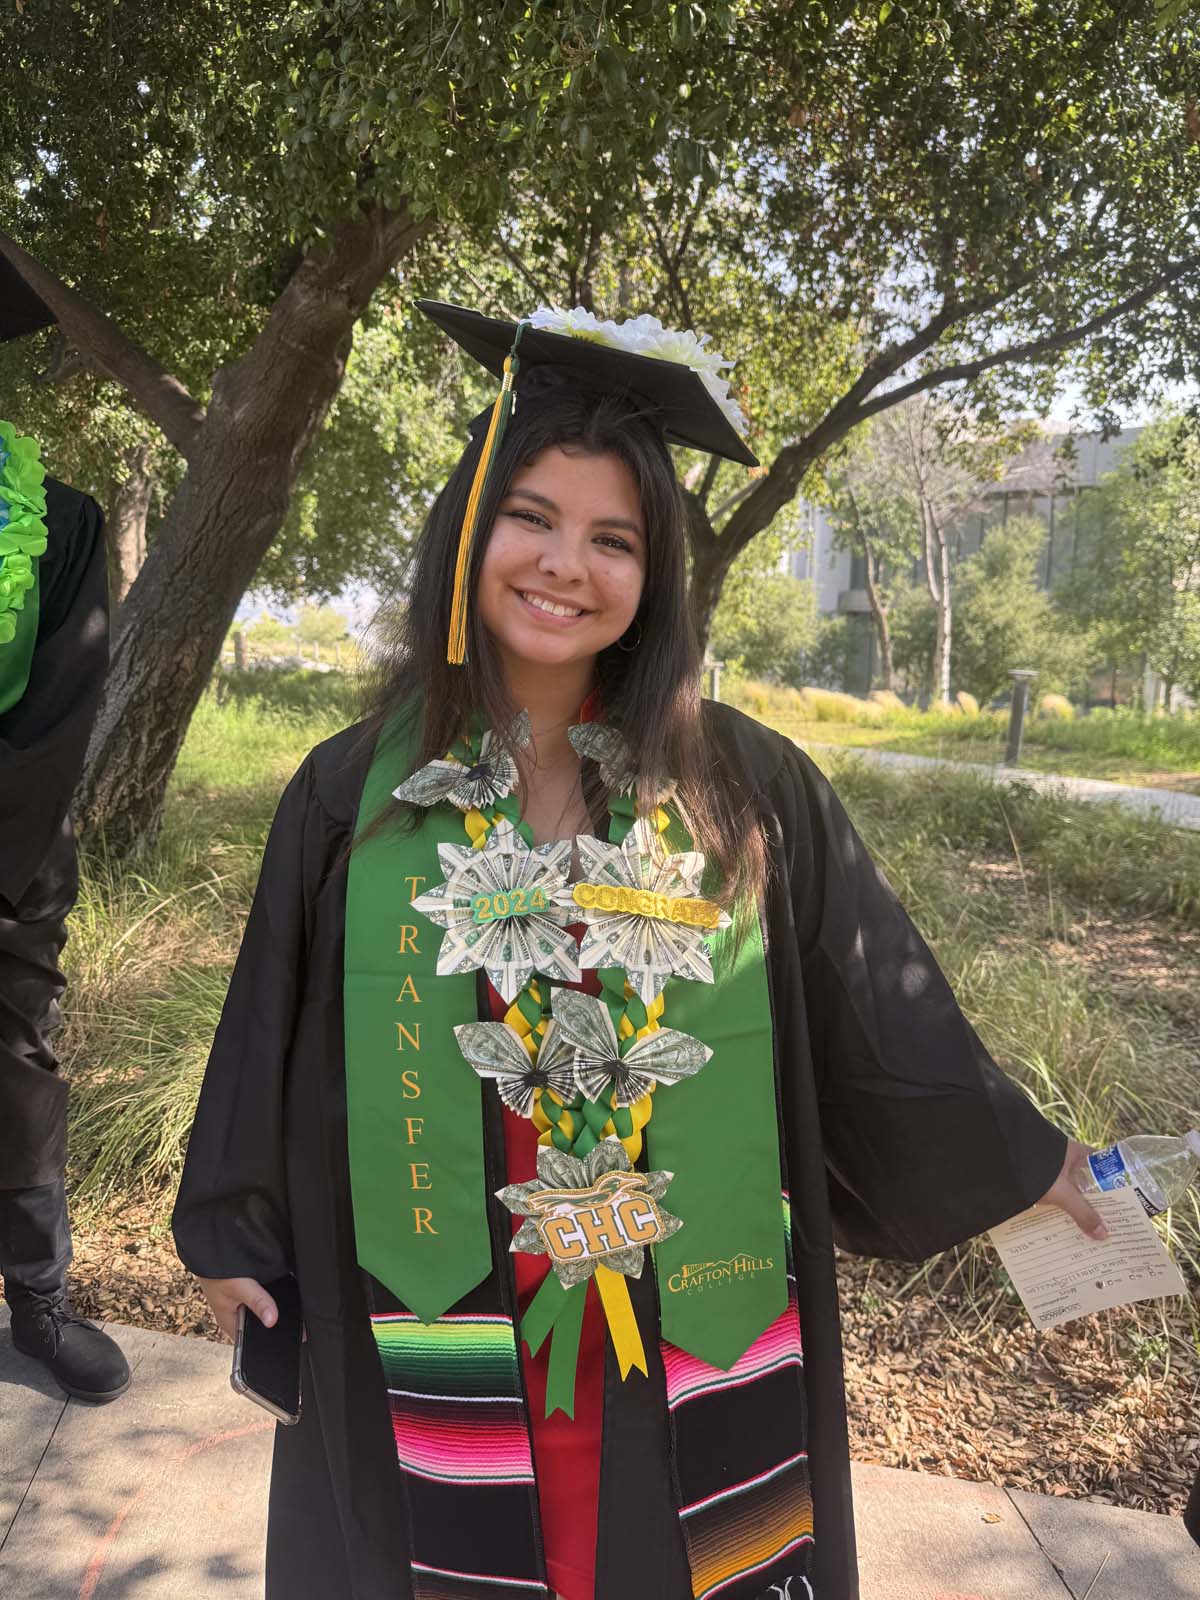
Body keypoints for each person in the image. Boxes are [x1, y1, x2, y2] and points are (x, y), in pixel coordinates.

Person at [173, 299, 1104, 1600]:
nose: (568, 565)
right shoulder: (353, 794)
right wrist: (227, 1227)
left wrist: (1028, 1152)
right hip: (434, 1280)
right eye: (533, 518)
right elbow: (269, 1023)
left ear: (655, 573)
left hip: (672, 1288)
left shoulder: (744, 788)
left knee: (662, 1551)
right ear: (467, 534)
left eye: (614, 538)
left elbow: (874, 1006)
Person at [0, 259, 130, 1402]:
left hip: (11, 851)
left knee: (18, 1066)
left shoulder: (66, 522)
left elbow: (61, 704)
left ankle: (37, 1305)